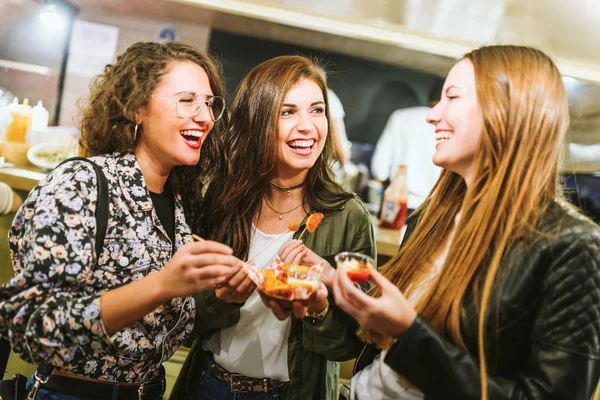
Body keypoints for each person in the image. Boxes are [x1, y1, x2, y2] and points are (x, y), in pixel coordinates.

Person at [332, 45, 600, 400]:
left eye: (452, 97)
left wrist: (410, 333)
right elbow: (377, 340)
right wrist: (326, 293)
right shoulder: (431, 216)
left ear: (503, 110)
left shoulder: (572, 244)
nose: (433, 115)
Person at [0, 41, 239, 399]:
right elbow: (33, 325)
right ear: (137, 107)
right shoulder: (82, 183)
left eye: (208, 103)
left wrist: (223, 296)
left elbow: (152, 332)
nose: (204, 117)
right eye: (187, 100)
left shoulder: (179, 202)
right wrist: (162, 284)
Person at [172, 55, 376, 400]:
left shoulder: (348, 215)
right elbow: (180, 322)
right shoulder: (223, 198)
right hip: (208, 385)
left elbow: (353, 345)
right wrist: (222, 299)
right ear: (257, 120)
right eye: (287, 112)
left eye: (316, 110)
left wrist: (318, 306)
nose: (308, 126)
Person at [371, 81, 444, 213]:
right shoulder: (451, 127)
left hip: (394, 205)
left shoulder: (401, 116)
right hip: (431, 210)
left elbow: (379, 167)